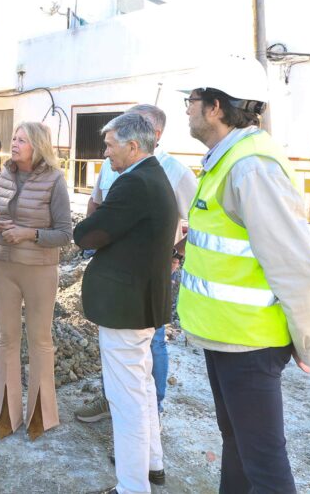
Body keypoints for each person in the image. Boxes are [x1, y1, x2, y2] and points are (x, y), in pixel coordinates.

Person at [177, 57, 310, 494]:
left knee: (263, 460)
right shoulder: (225, 160)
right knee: (239, 445)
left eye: (192, 101)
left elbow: (296, 263)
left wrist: (309, 339)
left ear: (216, 108)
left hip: (250, 343)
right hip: (225, 337)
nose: (187, 109)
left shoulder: (251, 166)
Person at [74, 113, 178, 494]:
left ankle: (132, 486)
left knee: (126, 397)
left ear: (133, 146)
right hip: (140, 303)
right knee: (143, 386)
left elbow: (87, 234)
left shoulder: (133, 183)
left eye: (110, 145)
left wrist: (90, 224)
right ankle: (153, 466)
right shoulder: (152, 176)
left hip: (125, 307)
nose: (105, 152)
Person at [76, 104, 197, 424]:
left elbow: (200, 222)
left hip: (145, 279)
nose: (105, 152)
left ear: (150, 137)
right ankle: (113, 402)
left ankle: (148, 415)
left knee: (148, 351)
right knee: (123, 366)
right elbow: (98, 203)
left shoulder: (173, 171)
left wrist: (176, 256)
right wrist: (92, 240)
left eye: (110, 144)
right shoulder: (118, 166)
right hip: (120, 279)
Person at [0, 122, 73, 441]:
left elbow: (65, 233)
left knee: (40, 341)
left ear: (38, 145)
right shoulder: (4, 175)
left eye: (22, 139)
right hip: (3, 265)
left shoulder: (55, 179)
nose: (14, 143)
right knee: (5, 339)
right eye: (13, 138)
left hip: (39, 269)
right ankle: (6, 415)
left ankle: (41, 415)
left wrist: (30, 233)